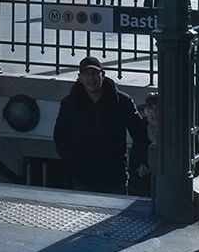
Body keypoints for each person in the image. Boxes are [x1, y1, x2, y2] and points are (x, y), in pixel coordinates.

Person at [53, 56, 150, 195]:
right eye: (86, 74)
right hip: (82, 179)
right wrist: (73, 165)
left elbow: (139, 134)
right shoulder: (69, 104)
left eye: (94, 73)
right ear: (80, 77)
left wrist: (137, 163)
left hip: (115, 178)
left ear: (102, 75)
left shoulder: (123, 102)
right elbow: (60, 137)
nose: (91, 78)